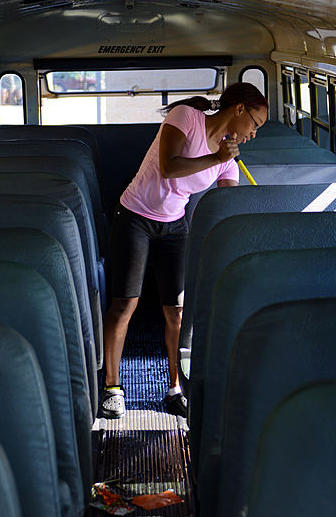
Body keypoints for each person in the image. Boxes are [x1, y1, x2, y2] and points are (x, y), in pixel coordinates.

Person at [100, 82, 269, 419]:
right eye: (255, 124)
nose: (253, 134)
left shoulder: (228, 160)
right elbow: (169, 167)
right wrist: (215, 157)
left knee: (175, 311)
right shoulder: (185, 117)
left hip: (175, 225)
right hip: (134, 216)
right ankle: (112, 386)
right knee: (124, 305)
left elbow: (226, 203)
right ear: (238, 109)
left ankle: (175, 387)